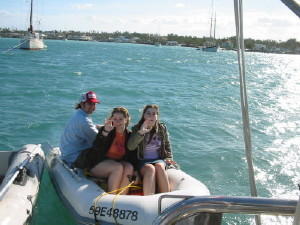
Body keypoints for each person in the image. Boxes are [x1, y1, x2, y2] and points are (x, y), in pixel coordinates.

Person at [75, 107, 135, 195]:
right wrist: (105, 132)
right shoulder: (107, 130)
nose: (117, 121)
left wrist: (136, 171)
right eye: (115, 119)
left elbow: (131, 155)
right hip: (97, 163)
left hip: (116, 162)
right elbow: (96, 147)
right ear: (111, 120)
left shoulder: (129, 135)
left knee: (129, 167)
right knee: (118, 167)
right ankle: (112, 196)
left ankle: (122, 197)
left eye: (120, 119)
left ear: (126, 120)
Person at [127, 104, 173, 195]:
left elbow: (167, 145)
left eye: (154, 114)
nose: (151, 116)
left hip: (158, 159)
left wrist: (169, 158)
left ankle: (166, 198)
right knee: (150, 169)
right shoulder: (137, 128)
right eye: (148, 113)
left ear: (157, 116)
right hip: (142, 161)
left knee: (159, 167)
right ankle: (149, 199)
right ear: (144, 115)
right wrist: (141, 133)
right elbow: (130, 147)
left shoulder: (162, 128)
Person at [60, 91, 100, 165]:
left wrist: (103, 127)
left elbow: (90, 128)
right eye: (89, 104)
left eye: (94, 104)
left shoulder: (78, 114)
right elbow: (98, 141)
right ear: (82, 104)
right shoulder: (84, 121)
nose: (93, 107)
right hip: (74, 157)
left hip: (67, 153)